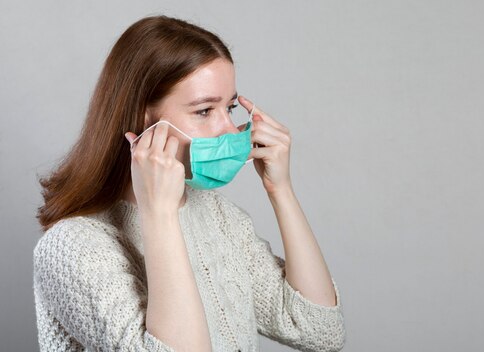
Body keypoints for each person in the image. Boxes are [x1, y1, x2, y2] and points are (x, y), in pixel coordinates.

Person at [33, 15, 346, 352]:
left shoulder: (219, 216)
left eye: (228, 108)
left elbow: (321, 331)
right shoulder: (70, 248)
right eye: (204, 111)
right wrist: (159, 215)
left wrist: (280, 190)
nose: (229, 128)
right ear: (143, 118)